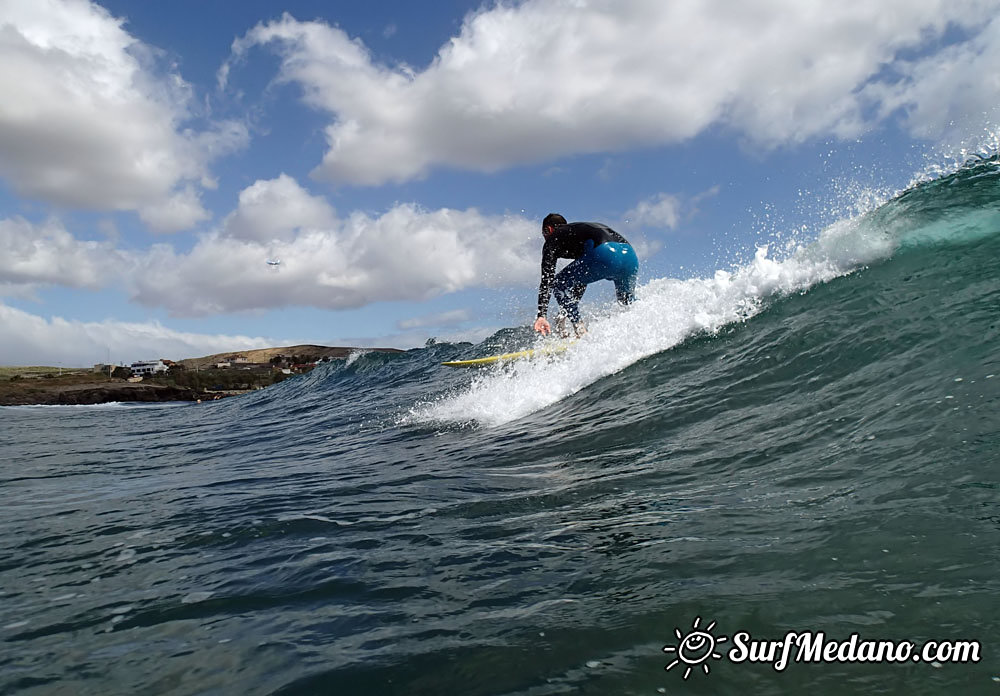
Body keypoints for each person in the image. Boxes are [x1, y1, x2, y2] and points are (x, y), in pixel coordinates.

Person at [533, 213, 638, 337]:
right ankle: (645, 323)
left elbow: (547, 280)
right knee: (627, 302)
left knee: (557, 283)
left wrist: (541, 315)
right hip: (630, 256)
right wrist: (568, 308)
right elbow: (581, 281)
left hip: (605, 253)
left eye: (544, 234)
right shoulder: (576, 233)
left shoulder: (553, 238)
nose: (545, 238)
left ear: (548, 230)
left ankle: (581, 332)